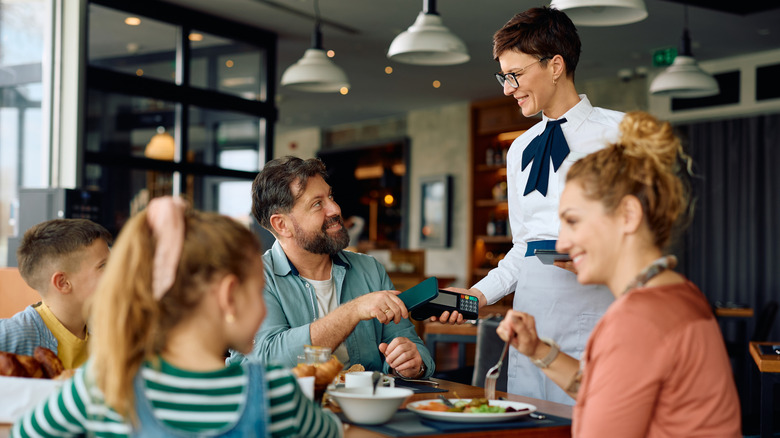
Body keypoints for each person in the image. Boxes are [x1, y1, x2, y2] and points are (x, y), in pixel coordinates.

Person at [496, 111, 741, 437]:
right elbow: (604, 389)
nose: (563, 242)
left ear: (628, 215)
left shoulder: (636, 320)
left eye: (572, 221)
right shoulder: (679, 293)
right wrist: (538, 350)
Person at [12, 197, 341, 437]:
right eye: (257, 292)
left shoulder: (100, 386)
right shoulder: (276, 394)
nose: (264, 308)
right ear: (228, 296)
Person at [438, 7, 623, 404]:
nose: (507, 88)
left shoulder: (619, 133)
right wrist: (476, 296)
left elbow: (647, 231)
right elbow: (522, 248)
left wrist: (601, 254)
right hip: (532, 315)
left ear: (555, 65)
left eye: (516, 75)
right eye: (503, 76)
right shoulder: (519, 148)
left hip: (595, 305)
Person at [227, 156, 434, 379]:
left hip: (367, 408)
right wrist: (352, 311)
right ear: (282, 224)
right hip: (288, 409)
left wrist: (412, 362)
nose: (335, 209)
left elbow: (410, 343)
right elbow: (269, 358)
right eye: (317, 204)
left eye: (331, 196)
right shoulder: (254, 278)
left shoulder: (370, 269)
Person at [0, 218, 111, 370]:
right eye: (103, 265)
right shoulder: (14, 334)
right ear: (63, 283)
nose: (116, 271)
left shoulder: (108, 331)